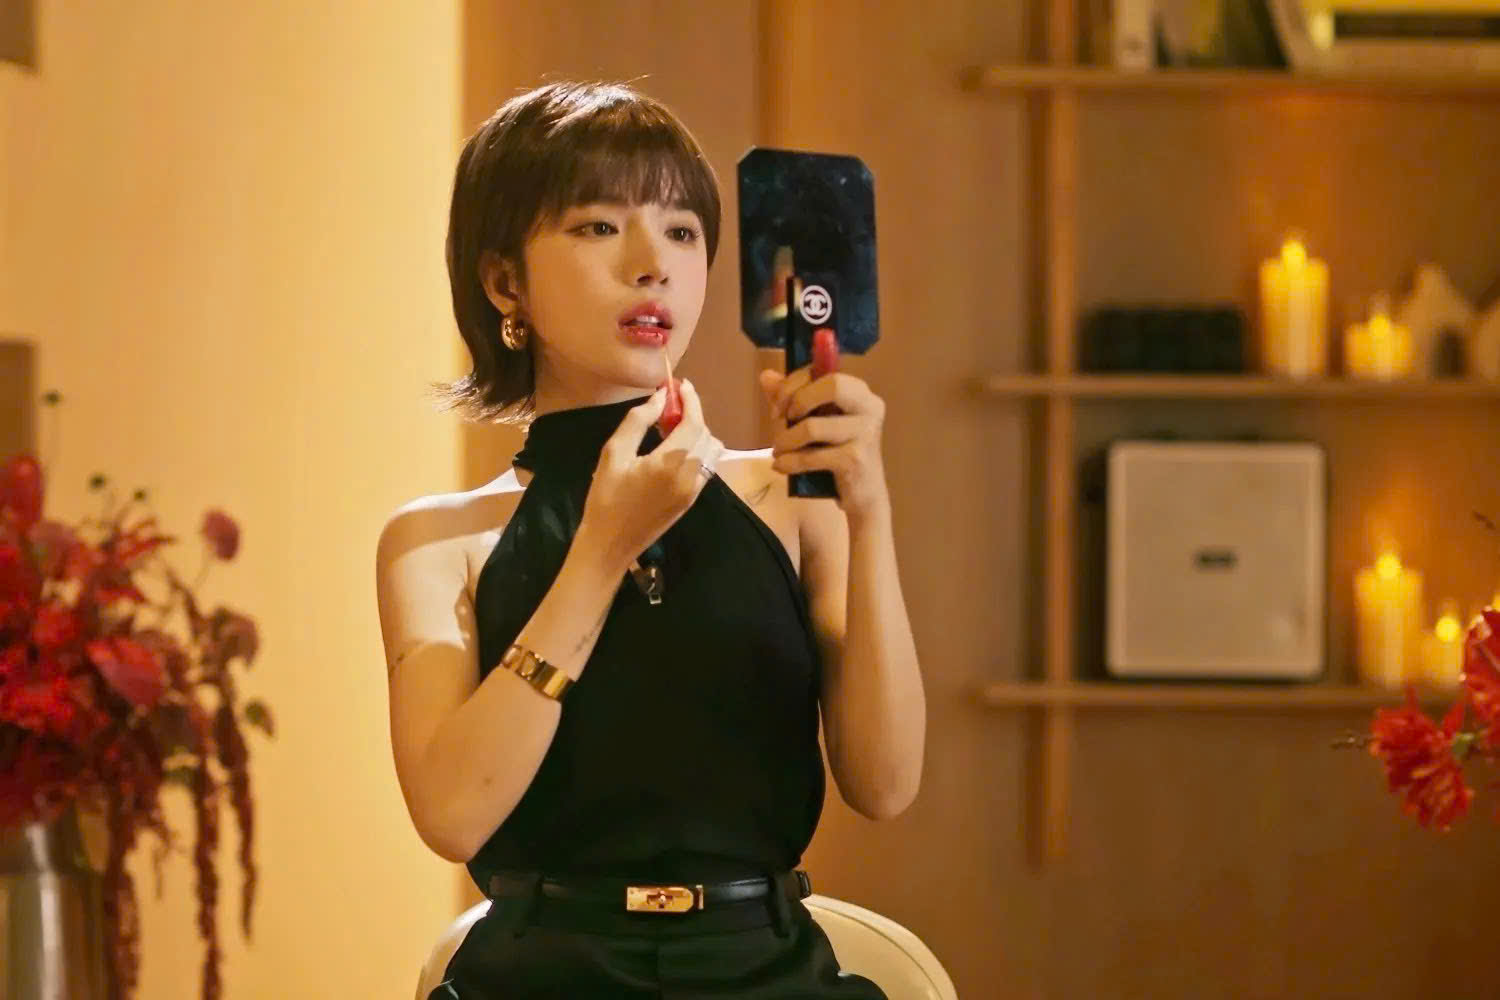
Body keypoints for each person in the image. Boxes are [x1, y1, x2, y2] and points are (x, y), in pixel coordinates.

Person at [375, 79, 926, 999]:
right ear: (505, 281)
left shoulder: (794, 499)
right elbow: (456, 816)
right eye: (598, 226)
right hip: (538, 975)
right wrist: (599, 554)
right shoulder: (437, 541)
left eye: (681, 231)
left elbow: (886, 784)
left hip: (766, 971)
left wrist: (868, 512)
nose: (652, 265)